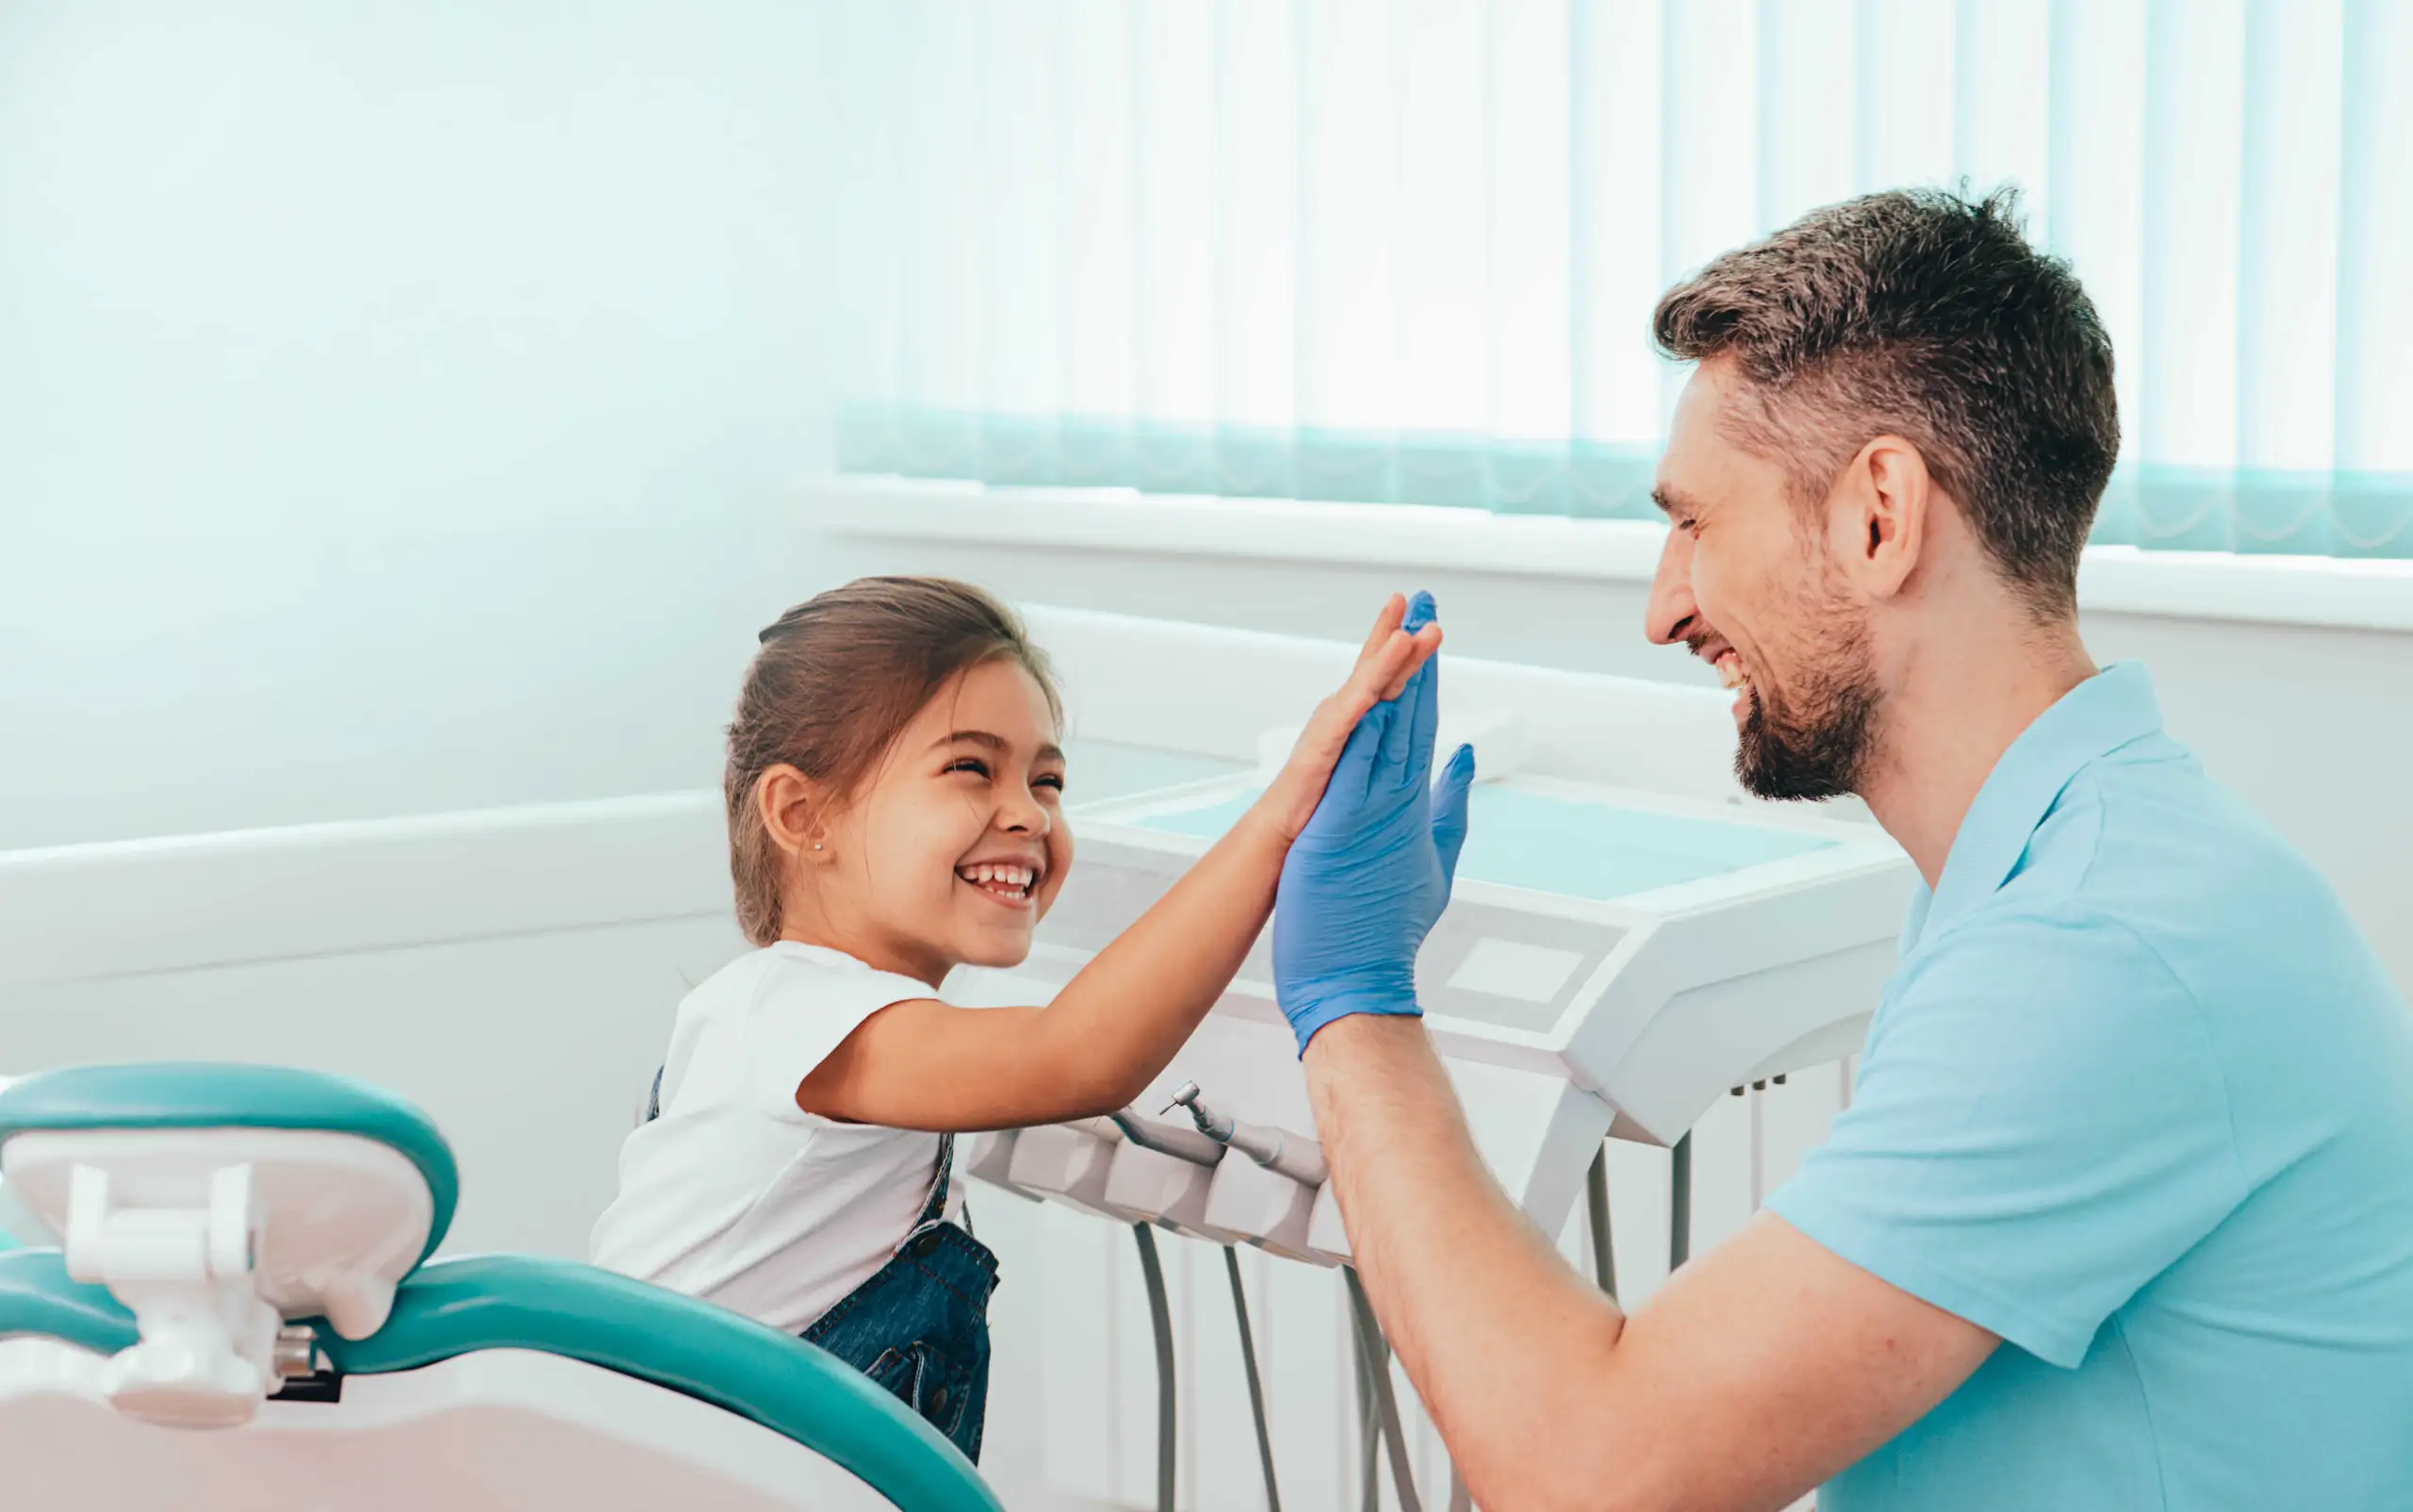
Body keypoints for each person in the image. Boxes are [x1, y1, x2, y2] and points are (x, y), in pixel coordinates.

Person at [1272, 189, 2413, 1511]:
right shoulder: (2054, 866)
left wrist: (1353, 1004)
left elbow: (1585, 1472)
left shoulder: (2099, 946)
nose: (1663, 608)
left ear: (1879, 515)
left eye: (1696, 524)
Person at [591, 575, 1439, 1462]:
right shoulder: (799, 1016)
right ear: (804, 816)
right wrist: (1284, 815)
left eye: (1049, 780)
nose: (1029, 813)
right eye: (971, 768)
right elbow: (1073, 1055)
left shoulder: (799, 1018)